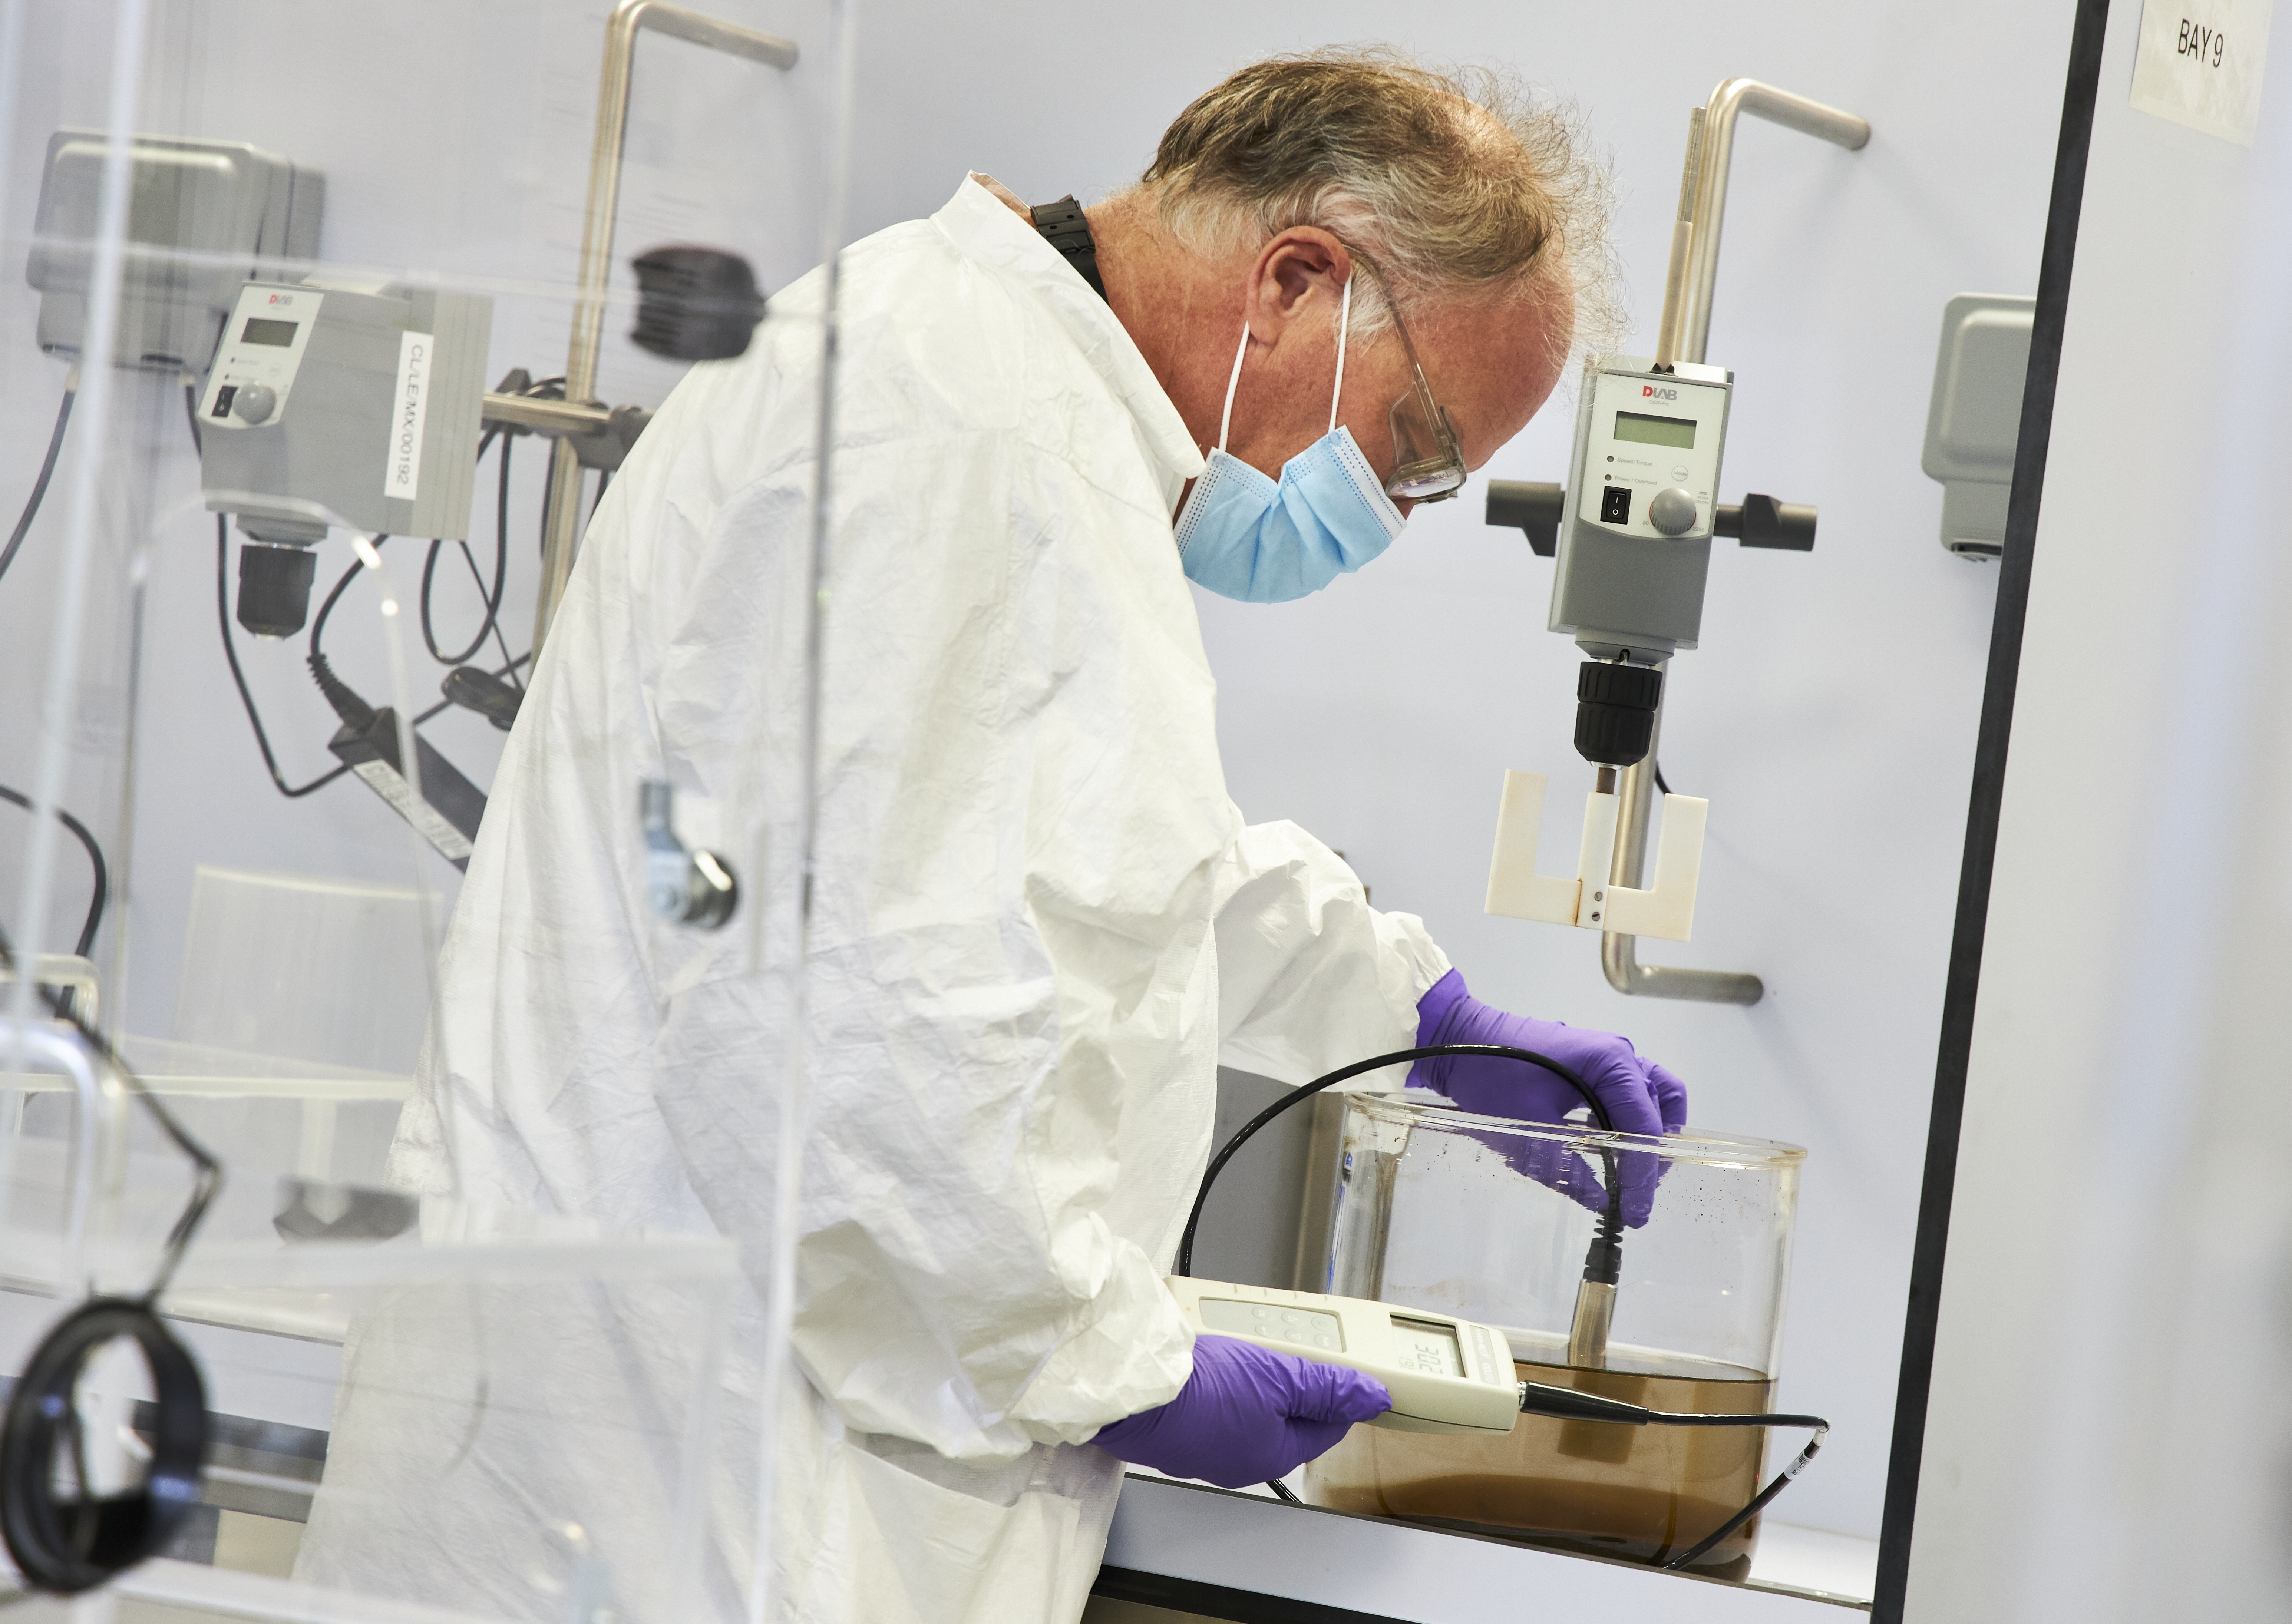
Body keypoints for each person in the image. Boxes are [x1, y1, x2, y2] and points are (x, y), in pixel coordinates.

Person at [296, 47, 1684, 1624]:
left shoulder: (979, 391)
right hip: (694, 1492)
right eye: (1416, 451)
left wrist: (1409, 1016)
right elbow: (869, 1013)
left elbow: (1054, 865)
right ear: (1294, 281)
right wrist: (1101, 1366)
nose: (1395, 514)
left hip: (679, 1450)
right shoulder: (963, 438)